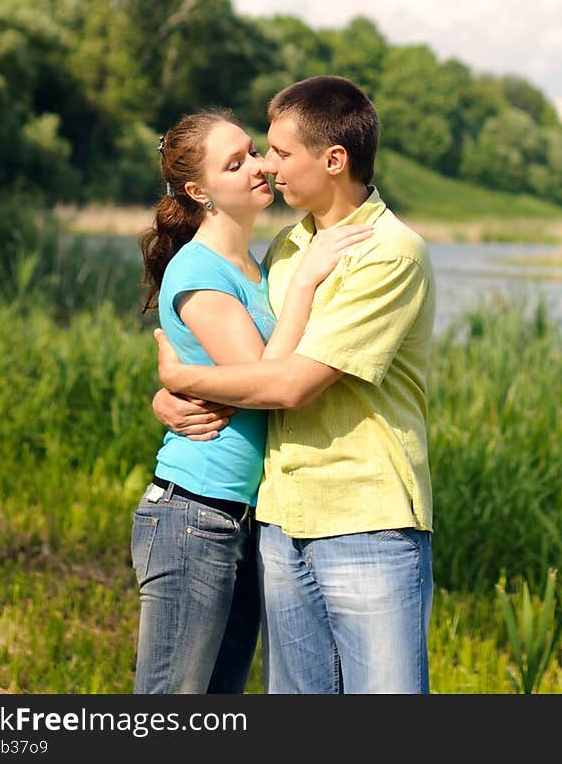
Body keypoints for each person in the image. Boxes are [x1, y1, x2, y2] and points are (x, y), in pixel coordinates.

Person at [152, 75, 436, 694]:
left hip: (364, 520)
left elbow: (290, 385)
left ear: (333, 159)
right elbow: (244, 358)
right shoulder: (287, 249)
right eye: (255, 154)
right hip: (278, 522)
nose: (266, 166)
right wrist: (173, 396)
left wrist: (179, 376)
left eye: (275, 152)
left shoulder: (388, 253)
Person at [131, 106, 373, 694]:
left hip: (241, 517)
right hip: (194, 512)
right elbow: (265, 380)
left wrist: (175, 385)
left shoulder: (258, 267)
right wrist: (311, 279)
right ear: (200, 191)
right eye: (234, 163)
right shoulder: (199, 271)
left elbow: (227, 374)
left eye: (255, 152)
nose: (259, 168)